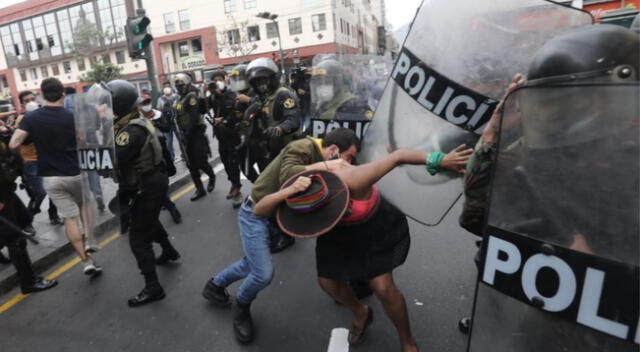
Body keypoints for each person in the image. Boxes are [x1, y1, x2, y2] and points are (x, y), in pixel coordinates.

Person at [255, 141, 472, 352]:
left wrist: (442, 159)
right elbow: (259, 210)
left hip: (373, 224)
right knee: (327, 283)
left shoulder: (354, 178)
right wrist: (284, 193)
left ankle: (407, 340)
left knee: (383, 288)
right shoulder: (296, 196)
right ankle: (361, 312)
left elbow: (398, 157)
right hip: (336, 233)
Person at [201, 128, 355, 344]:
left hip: (275, 219)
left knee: (251, 264)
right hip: (255, 214)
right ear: (333, 150)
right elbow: (288, 176)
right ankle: (241, 307)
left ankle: (215, 287)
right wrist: (328, 165)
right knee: (263, 273)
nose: (347, 163)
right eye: (347, 157)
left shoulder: (322, 159)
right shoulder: (302, 147)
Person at [10, 77, 102, 276]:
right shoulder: (72, 115)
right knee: (84, 210)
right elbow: (83, 142)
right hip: (75, 172)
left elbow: (13, 144)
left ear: (42, 95)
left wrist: (30, 152)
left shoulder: (31, 118)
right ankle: (89, 243)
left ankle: (86, 262)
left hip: (51, 177)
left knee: (69, 219)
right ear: (62, 94)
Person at [108, 79, 181, 307]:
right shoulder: (133, 121)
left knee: (138, 237)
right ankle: (168, 250)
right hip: (150, 181)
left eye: (106, 103)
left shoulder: (128, 131)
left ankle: (153, 286)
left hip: (145, 185)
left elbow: (114, 159)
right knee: (147, 219)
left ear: (117, 104)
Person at [245, 57, 302, 253]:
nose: (262, 85)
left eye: (265, 80)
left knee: (277, 192)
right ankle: (278, 228)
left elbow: (293, 120)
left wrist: (279, 130)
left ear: (273, 78)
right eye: (257, 82)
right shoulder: (259, 98)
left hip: (284, 150)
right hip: (265, 150)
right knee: (266, 189)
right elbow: (251, 120)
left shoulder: (283, 95)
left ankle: (286, 235)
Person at [0, 120, 57, 294]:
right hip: (1, 197)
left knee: (25, 220)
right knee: (16, 239)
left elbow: (11, 156)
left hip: (7, 192)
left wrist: (7, 133)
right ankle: (29, 282)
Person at [13, 90, 62, 225]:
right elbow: (19, 141)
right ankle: (27, 221)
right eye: (27, 101)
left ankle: (54, 215)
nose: (31, 102)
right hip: (31, 162)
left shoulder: (44, 115)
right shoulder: (22, 119)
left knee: (54, 189)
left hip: (47, 159)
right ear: (22, 105)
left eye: (32, 99)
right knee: (40, 193)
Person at [138, 93, 182, 224]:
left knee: (162, 178)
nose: (146, 106)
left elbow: (166, 127)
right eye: (143, 103)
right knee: (155, 183)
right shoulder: (137, 119)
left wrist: (154, 123)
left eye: (148, 102)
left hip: (161, 148)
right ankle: (169, 205)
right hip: (147, 153)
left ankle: (168, 203)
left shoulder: (158, 114)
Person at [174, 72, 216, 201]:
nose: (180, 88)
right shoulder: (178, 99)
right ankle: (199, 189)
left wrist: (188, 134)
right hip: (185, 135)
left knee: (201, 161)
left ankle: (211, 176)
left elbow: (193, 117)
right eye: (177, 86)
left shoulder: (191, 96)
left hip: (195, 133)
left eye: (181, 85)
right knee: (190, 164)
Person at [208, 71, 244, 208]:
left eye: (219, 80)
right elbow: (202, 109)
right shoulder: (212, 96)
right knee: (226, 162)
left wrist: (219, 95)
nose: (217, 82)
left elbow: (233, 113)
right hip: (221, 135)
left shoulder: (230, 94)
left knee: (233, 162)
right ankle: (234, 183)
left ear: (224, 80)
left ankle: (237, 191)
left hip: (232, 134)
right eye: (214, 80)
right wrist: (204, 96)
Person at [229, 64, 260, 183]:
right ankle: (260, 187)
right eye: (235, 79)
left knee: (266, 167)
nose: (237, 82)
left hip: (258, 137)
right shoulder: (235, 94)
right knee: (245, 168)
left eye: (240, 78)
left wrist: (249, 100)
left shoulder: (256, 91)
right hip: (243, 137)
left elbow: (263, 105)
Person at [156, 83, 179, 160]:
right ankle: (171, 157)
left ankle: (185, 154)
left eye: (168, 86)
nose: (166, 88)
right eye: (164, 86)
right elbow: (159, 110)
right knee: (168, 141)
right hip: (167, 123)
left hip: (177, 121)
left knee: (181, 139)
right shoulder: (160, 99)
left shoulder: (177, 97)